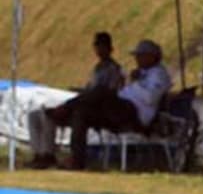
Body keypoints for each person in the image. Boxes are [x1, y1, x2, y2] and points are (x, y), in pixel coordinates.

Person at [29, 39, 172, 170]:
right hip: (119, 109)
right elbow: (123, 91)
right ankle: (72, 159)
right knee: (82, 113)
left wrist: (135, 84)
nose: (137, 59)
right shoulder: (139, 73)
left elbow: (150, 98)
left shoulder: (159, 75)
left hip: (135, 113)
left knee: (101, 91)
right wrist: (129, 83)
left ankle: (64, 108)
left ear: (152, 56)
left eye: (140, 55)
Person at [28, 31, 125, 169]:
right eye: (97, 45)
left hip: (98, 108)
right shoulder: (97, 69)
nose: (99, 49)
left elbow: (106, 93)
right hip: (85, 101)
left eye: (102, 45)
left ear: (109, 48)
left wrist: (84, 96)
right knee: (36, 115)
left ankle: (51, 155)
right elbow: (90, 89)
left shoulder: (114, 69)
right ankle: (40, 153)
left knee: (69, 115)